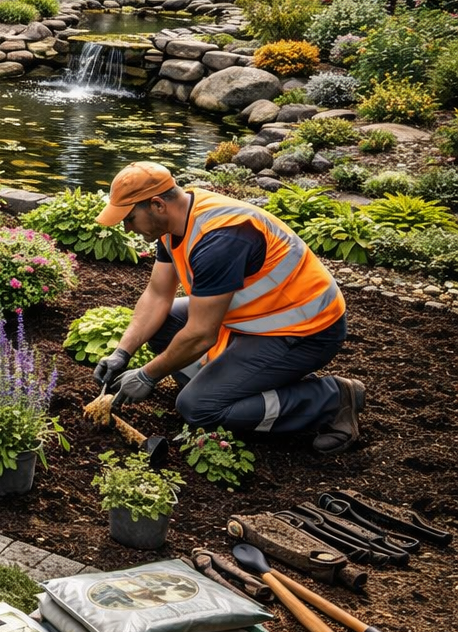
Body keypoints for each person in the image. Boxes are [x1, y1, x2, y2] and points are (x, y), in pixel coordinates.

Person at [90, 162, 364, 455]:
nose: (127, 227)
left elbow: (200, 334)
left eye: (129, 218)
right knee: (165, 322)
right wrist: (123, 352)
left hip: (305, 329)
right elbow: (157, 295)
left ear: (157, 204)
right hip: (257, 320)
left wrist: (147, 375)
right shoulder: (175, 221)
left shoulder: (220, 239)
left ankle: (331, 400)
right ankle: (231, 387)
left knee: (198, 408)